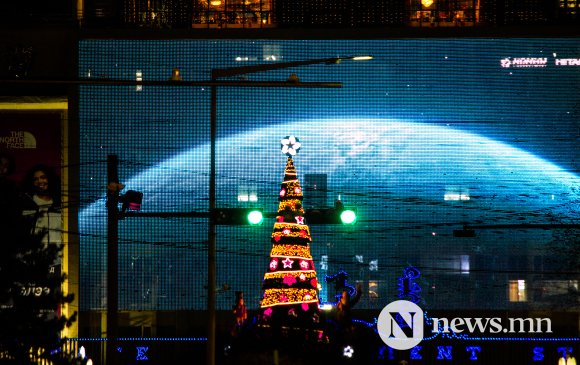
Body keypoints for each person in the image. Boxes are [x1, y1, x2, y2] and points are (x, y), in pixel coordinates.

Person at [20, 164, 62, 250]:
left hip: (56, 259)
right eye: (35, 179)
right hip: (30, 258)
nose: (40, 181)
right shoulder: (25, 203)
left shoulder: (60, 204)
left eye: (43, 177)